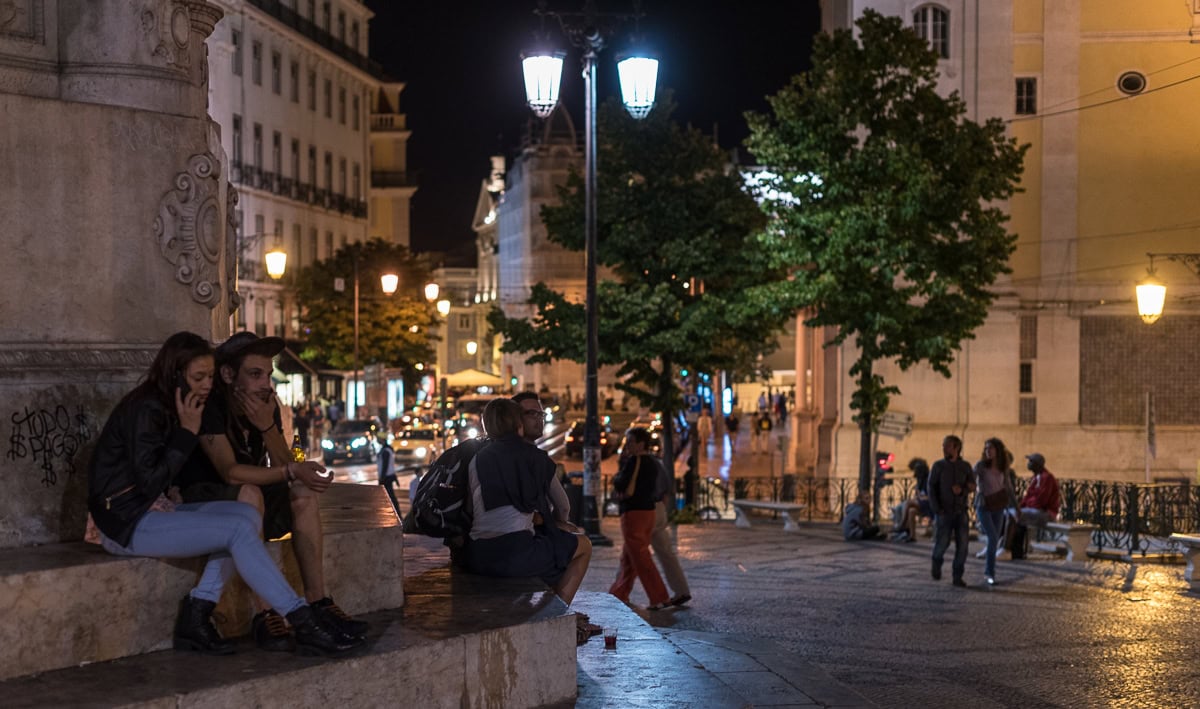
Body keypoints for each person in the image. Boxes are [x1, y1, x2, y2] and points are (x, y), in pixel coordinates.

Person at [86, 332, 357, 656]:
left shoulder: (182, 405)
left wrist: (265, 429)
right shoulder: (147, 408)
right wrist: (187, 433)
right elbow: (148, 483)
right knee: (239, 525)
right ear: (174, 374)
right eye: (198, 377)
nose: (205, 385)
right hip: (125, 522)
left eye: (209, 377)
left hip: (155, 512)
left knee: (244, 515)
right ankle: (301, 620)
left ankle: (198, 613)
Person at [177, 332, 367, 651]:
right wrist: (288, 469)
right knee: (250, 493)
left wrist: (267, 427)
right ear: (227, 374)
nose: (266, 384)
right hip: (204, 499)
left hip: (247, 499)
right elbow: (229, 472)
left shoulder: (267, 406)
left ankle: (318, 601)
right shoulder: (212, 405)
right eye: (255, 374)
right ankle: (265, 615)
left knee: (301, 490)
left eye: (267, 374)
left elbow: (285, 466)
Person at [463, 398, 592, 605]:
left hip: (478, 553)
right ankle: (558, 615)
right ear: (518, 424)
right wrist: (558, 524)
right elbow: (563, 506)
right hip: (515, 552)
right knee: (582, 546)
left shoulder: (477, 459)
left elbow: (472, 507)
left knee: (548, 547)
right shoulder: (536, 458)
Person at [609, 426, 672, 611]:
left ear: (640, 444)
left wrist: (618, 476)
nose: (627, 445)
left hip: (633, 513)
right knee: (630, 557)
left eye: (630, 442)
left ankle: (659, 597)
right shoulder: (652, 463)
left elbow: (621, 483)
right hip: (648, 512)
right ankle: (618, 594)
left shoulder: (633, 462)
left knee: (641, 556)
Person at [928, 435, 976, 587]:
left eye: (948, 446)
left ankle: (957, 576)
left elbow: (972, 485)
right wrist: (937, 509)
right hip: (944, 511)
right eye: (944, 446)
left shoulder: (965, 466)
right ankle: (936, 562)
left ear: (956, 448)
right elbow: (931, 487)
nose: (944, 448)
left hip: (961, 511)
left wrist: (962, 490)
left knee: (963, 546)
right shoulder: (938, 466)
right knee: (942, 542)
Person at [648, 451, 691, 606]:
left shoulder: (643, 463)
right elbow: (667, 490)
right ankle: (682, 590)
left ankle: (657, 596)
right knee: (666, 553)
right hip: (659, 508)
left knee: (634, 554)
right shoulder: (658, 464)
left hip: (647, 510)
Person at [973, 438, 1016, 586]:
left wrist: (1016, 507)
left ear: (998, 450)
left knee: (994, 538)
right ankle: (989, 573)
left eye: (990, 448)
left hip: (998, 506)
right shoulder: (980, 466)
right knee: (992, 537)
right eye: (986, 449)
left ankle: (990, 572)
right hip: (983, 505)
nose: (988, 451)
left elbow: (1008, 487)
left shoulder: (1003, 467)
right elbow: (971, 481)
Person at [1009, 452, 1062, 559]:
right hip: (1036, 510)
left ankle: (1015, 550)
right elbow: (1029, 496)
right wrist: (1021, 505)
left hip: (1046, 512)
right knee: (1011, 514)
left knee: (1016, 516)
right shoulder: (1037, 477)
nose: (1028, 464)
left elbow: (1042, 500)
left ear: (1037, 464)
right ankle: (1013, 548)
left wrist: (1024, 506)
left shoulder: (1046, 478)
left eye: (1031, 461)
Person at [377, 432, 398, 515]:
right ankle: (396, 514)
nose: (377, 440)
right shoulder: (387, 449)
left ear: (382, 439)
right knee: (390, 497)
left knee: (390, 498)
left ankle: (396, 514)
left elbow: (385, 465)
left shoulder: (385, 451)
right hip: (389, 476)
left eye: (378, 438)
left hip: (386, 478)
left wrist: (381, 478)